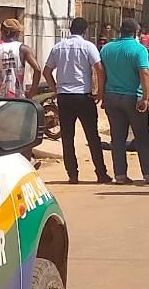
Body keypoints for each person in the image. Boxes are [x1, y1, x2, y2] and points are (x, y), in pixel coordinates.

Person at [43, 17, 111, 184]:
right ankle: (101, 173)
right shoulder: (88, 46)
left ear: (70, 29)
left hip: (64, 97)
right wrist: (100, 92)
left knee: (67, 137)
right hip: (83, 96)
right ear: (85, 31)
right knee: (92, 137)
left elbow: (47, 71)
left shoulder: (58, 47)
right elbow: (99, 69)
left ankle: (72, 175)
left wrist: (55, 88)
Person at [98, 17, 149, 185]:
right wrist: (145, 97)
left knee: (117, 138)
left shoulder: (106, 49)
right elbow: (145, 73)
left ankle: (120, 175)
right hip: (133, 98)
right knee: (142, 137)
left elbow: (101, 73)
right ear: (136, 33)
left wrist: (102, 94)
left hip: (112, 97)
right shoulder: (139, 50)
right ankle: (148, 174)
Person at [0, 18, 41, 99]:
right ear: (17, 33)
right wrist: (32, 92)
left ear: (3, 32)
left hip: (0, 99)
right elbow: (37, 69)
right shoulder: (23, 49)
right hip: (19, 98)